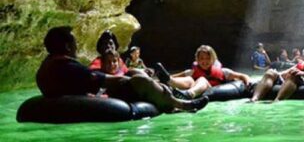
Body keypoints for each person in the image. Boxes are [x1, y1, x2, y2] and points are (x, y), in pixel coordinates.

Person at [36, 26, 208, 112]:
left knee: (138, 75)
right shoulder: (66, 66)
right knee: (139, 81)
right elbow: (99, 78)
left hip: (89, 93)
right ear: (67, 46)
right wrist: (131, 80)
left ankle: (171, 92)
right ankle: (181, 104)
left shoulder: (48, 65)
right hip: (95, 97)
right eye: (74, 44)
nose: (76, 47)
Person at [250, 36, 304, 102]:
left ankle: (277, 101)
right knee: (271, 72)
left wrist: (302, 73)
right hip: (291, 81)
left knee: (294, 75)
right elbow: (283, 74)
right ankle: (254, 99)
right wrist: (273, 75)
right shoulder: (303, 64)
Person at [154, 45, 251, 99]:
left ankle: (189, 94)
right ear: (197, 59)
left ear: (213, 59)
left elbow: (242, 75)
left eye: (208, 58)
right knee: (188, 78)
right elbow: (175, 76)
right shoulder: (192, 71)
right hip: (193, 85)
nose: (204, 61)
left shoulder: (224, 71)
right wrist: (160, 81)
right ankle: (169, 82)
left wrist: (248, 83)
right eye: (201, 58)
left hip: (210, 89)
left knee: (202, 79)